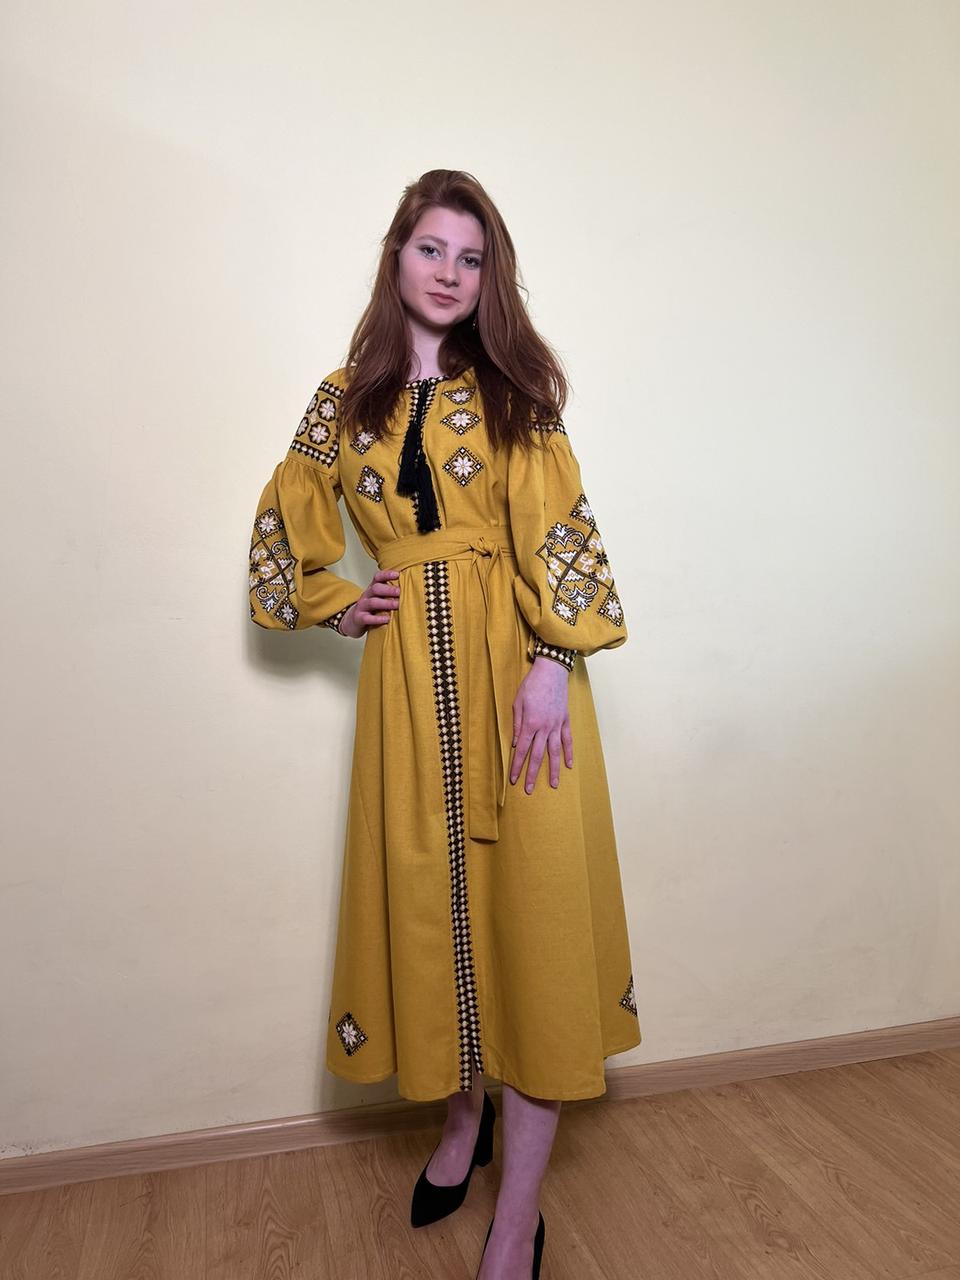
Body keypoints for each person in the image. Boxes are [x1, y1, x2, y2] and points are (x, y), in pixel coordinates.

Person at [247, 168, 640, 1280]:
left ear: (489, 277)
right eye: (433, 249)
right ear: (397, 255)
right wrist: (337, 602)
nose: (451, 274)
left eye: (473, 259)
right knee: (435, 904)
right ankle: (462, 1124)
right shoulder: (346, 398)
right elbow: (288, 517)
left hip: (523, 677)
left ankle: (517, 1217)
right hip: (406, 688)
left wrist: (556, 661)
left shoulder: (514, 390)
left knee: (534, 919)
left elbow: (560, 529)